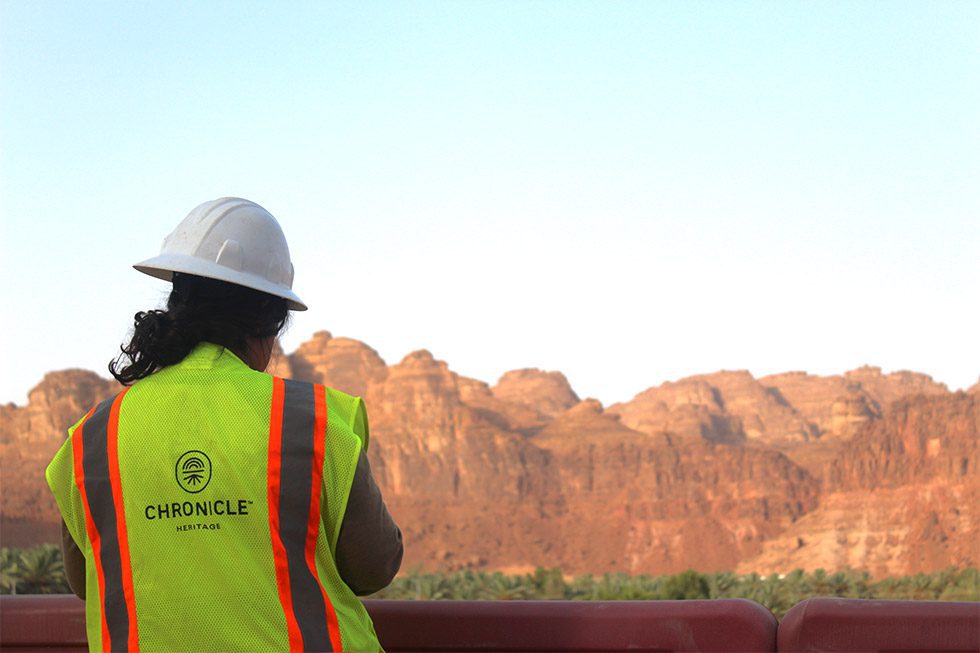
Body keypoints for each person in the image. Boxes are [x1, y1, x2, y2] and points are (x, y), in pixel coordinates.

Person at [46, 197, 402, 652]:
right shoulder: (313, 419)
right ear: (270, 323)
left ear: (176, 305)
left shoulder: (91, 439)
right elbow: (375, 565)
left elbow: (85, 579)